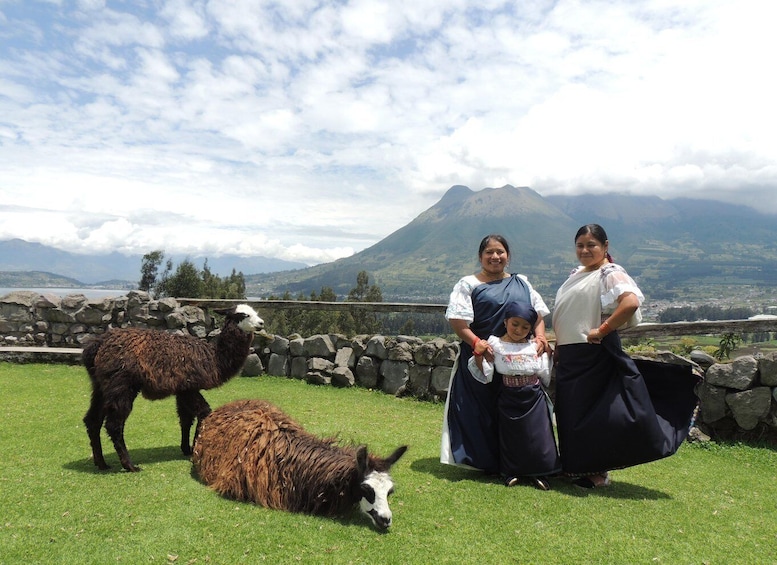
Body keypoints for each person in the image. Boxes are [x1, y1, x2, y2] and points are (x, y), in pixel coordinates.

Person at [552, 224, 699, 488]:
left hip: (593, 353)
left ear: (605, 246)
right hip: (573, 354)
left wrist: (603, 329)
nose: (585, 250)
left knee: (595, 414)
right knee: (572, 412)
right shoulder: (578, 273)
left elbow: (630, 302)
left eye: (591, 245)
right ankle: (575, 466)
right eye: (580, 245)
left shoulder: (610, 272)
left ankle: (598, 473)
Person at [441, 234, 551, 475]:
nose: (495, 256)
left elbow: (538, 315)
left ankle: (524, 462)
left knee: (521, 415)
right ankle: (486, 462)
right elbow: (458, 320)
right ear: (480, 257)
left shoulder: (522, 282)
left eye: (500, 252)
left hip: (519, 362)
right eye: (489, 252)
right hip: (483, 358)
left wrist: (541, 337)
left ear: (508, 256)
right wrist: (477, 342)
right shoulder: (468, 284)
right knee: (482, 411)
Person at [468, 301, 561, 490]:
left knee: (538, 435)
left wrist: (549, 350)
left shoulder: (535, 346)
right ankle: (512, 471)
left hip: (533, 397)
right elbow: (486, 371)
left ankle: (540, 472)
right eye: (515, 324)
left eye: (525, 327)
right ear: (505, 322)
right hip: (508, 396)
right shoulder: (495, 344)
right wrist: (478, 354)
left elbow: (544, 371)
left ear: (531, 328)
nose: (519, 330)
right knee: (511, 436)